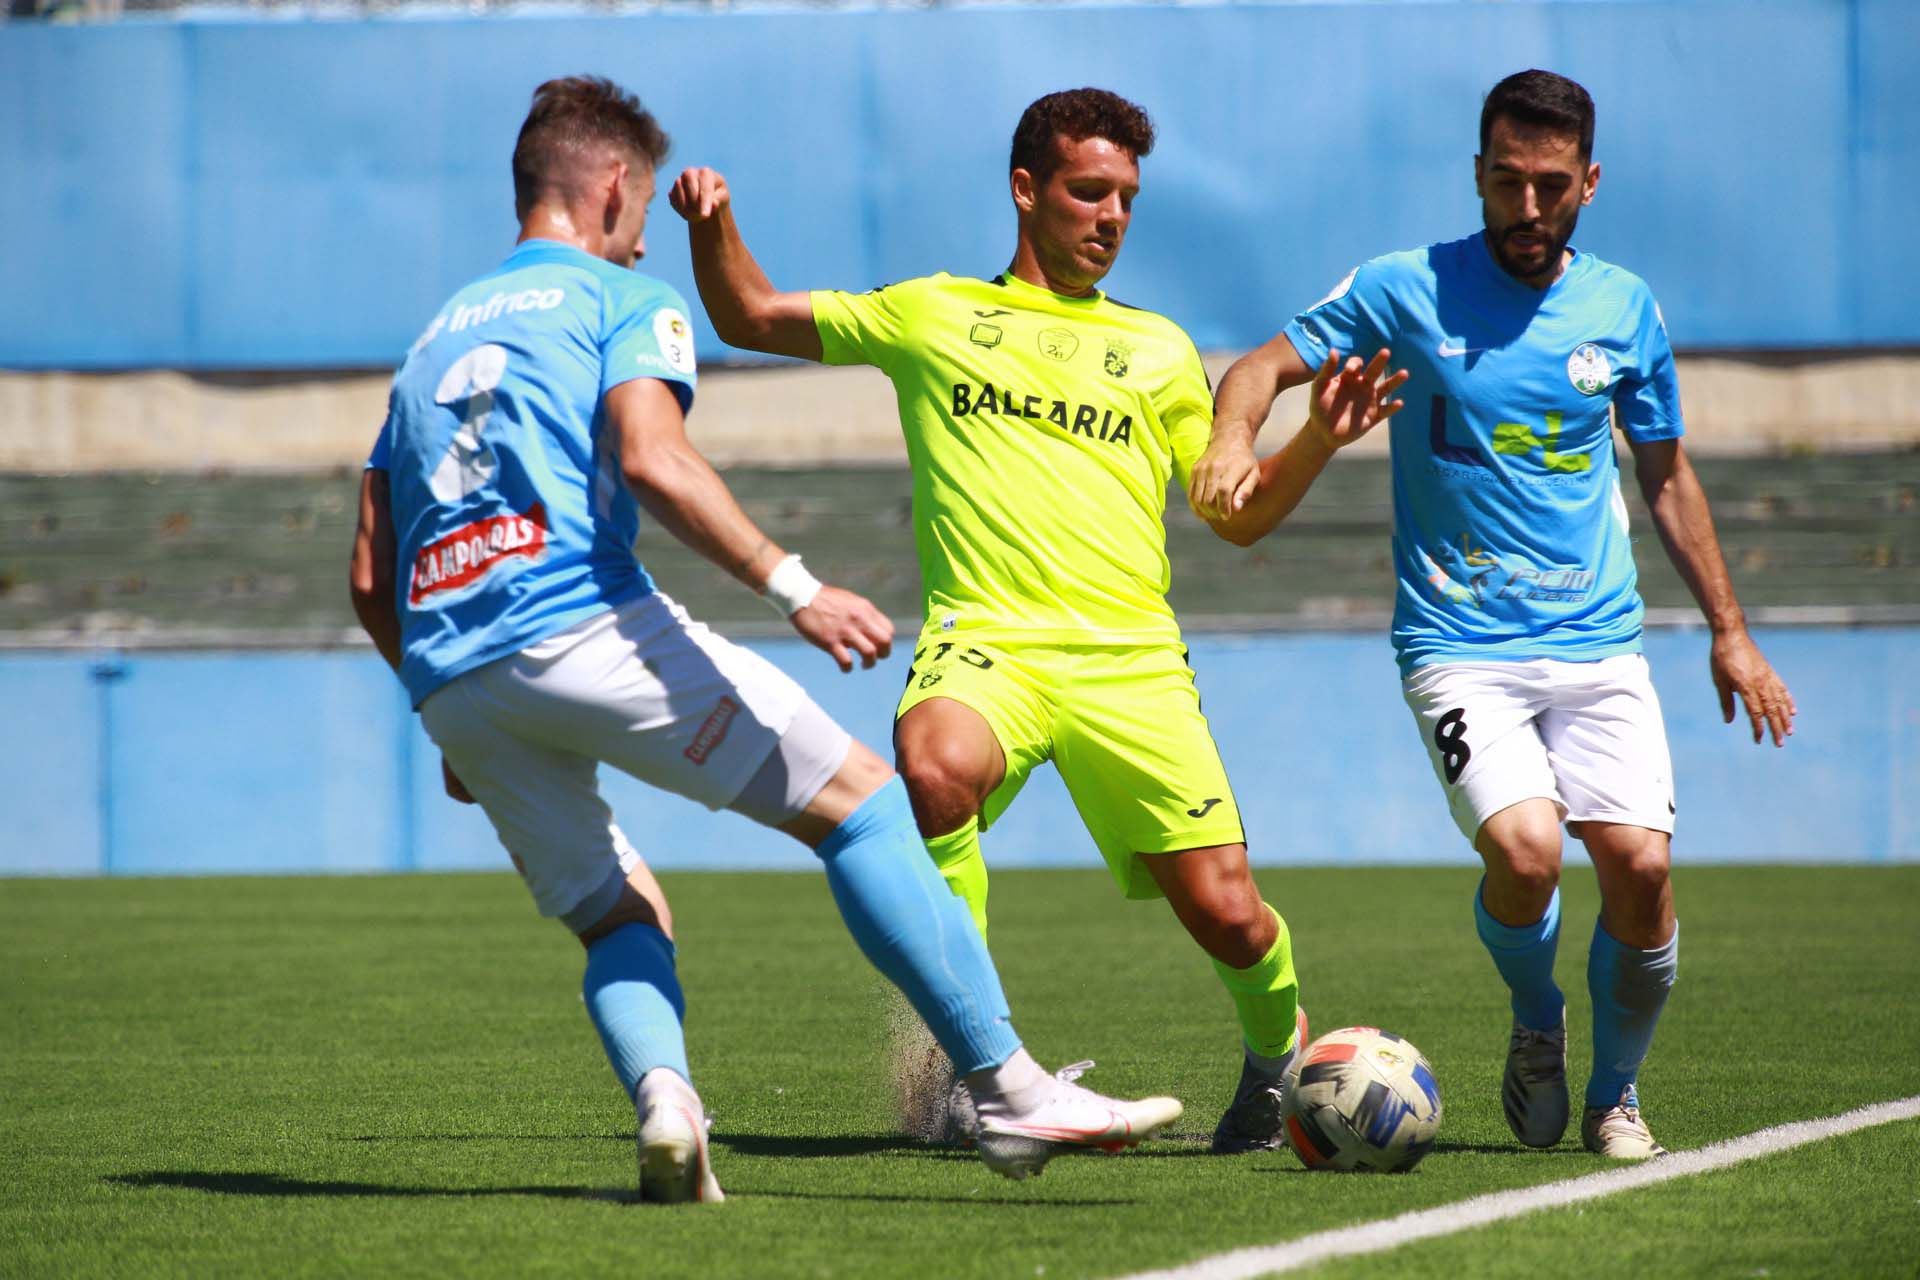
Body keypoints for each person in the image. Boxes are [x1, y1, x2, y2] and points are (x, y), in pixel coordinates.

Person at [347, 76, 1183, 1202]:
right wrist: (796, 585)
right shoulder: (614, 298)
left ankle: (669, 1105)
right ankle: (1011, 1089)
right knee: (867, 806)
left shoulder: (430, 343)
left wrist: (452, 702)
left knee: (617, 913)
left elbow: (368, 569)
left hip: (455, 667)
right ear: (610, 190)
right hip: (579, 620)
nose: (642, 240)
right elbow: (653, 456)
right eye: (639, 214)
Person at [671, 88, 1403, 1153]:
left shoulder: (1156, 350)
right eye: (1088, 191)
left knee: (1229, 911)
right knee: (931, 766)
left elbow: (1229, 517)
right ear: (1028, 190)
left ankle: (1272, 1048)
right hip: (989, 641)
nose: (1110, 215)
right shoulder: (934, 312)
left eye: (1126, 199)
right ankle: (978, 1064)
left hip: (1130, 662)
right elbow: (747, 314)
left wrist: (1315, 444)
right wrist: (712, 229)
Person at [1189, 69, 1797, 1158]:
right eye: (1507, 182)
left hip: (1599, 640)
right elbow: (1258, 368)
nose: (1527, 208)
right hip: (1457, 640)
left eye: (1551, 185)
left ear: (1589, 184)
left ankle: (1615, 1092)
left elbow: (1665, 473)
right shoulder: (1403, 289)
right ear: (1478, 174)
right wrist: (1232, 440)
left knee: (1642, 868)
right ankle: (1536, 1022)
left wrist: (1729, 627)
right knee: (1524, 854)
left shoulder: (1625, 307)